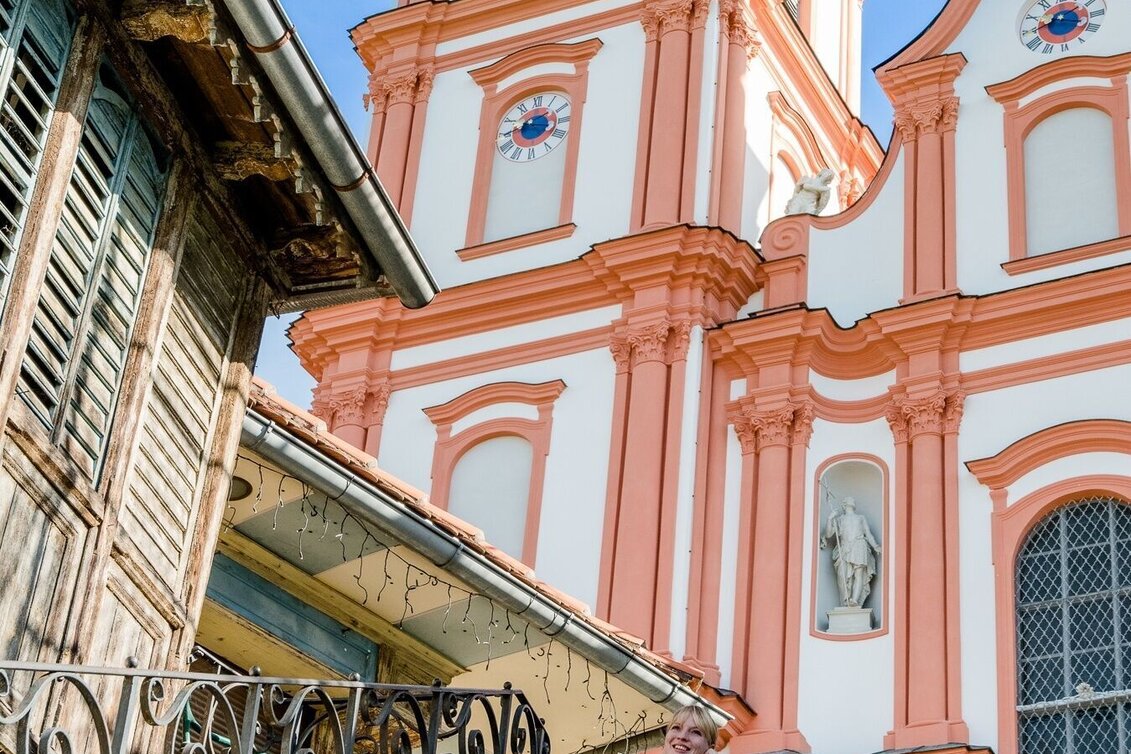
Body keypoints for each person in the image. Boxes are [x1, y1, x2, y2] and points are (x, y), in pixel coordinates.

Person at [819, 497, 881, 608]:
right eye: (850, 499)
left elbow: (868, 533)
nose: (853, 500)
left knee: (859, 574)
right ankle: (846, 599)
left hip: (859, 545)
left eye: (853, 499)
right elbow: (828, 534)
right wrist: (830, 518)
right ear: (844, 504)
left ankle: (854, 600)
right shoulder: (839, 519)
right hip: (844, 548)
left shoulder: (861, 518)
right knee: (842, 576)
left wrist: (875, 546)